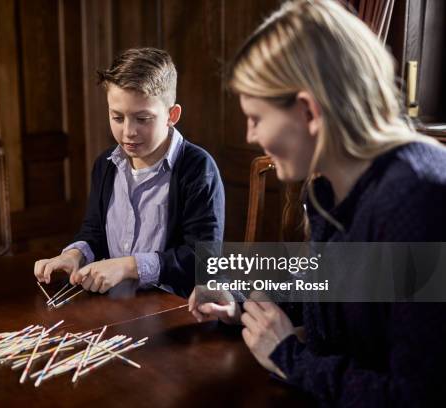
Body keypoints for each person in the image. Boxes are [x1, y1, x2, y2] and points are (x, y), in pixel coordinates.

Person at [188, 0, 446, 405]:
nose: (250, 135)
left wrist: (288, 355)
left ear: (308, 110)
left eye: (256, 117)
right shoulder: (329, 188)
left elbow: (414, 397)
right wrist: (238, 300)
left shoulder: (419, 198)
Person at [35, 47, 225, 298]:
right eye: (117, 117)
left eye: (142, 119)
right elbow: (94, 231)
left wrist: (128, 266)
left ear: (172, 115)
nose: (128, 132)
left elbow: (202, 260)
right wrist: (74, 255)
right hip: (118, 307)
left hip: (176, 310)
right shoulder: (105, 164)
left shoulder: (198, 169)